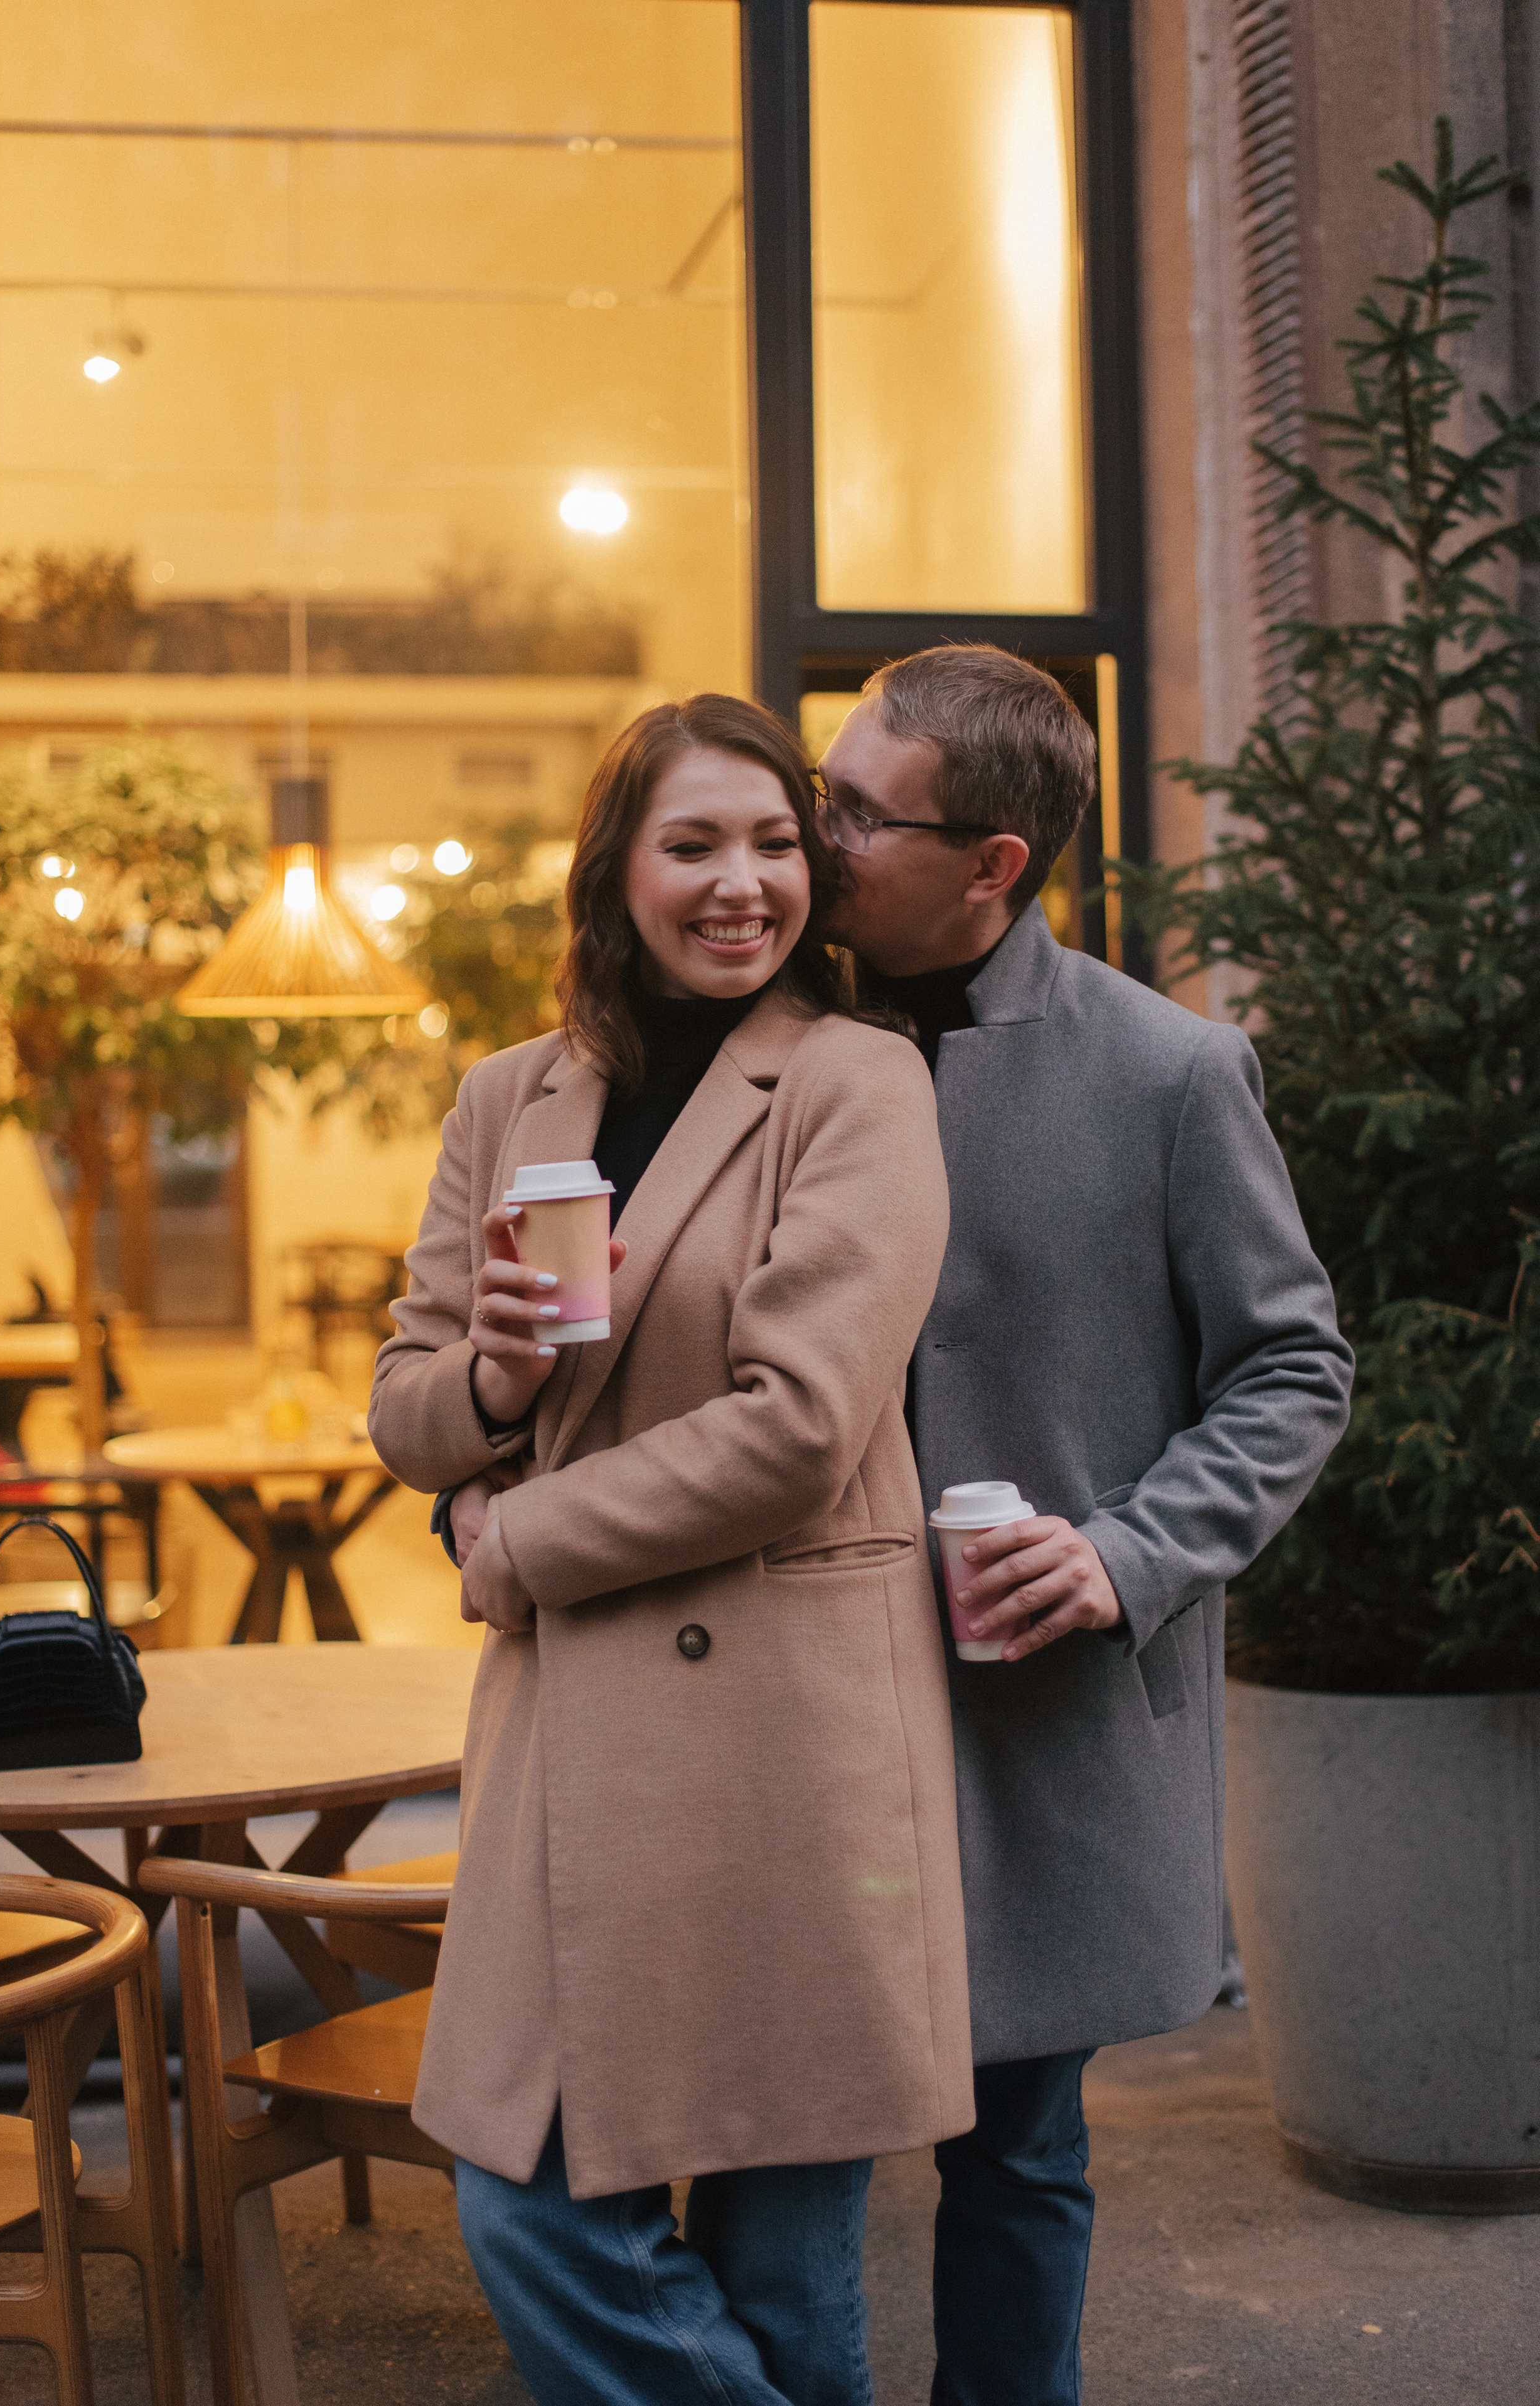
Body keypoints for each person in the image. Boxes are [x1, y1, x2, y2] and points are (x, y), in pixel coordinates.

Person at [368, 692, 975, 2406]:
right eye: (693, 842)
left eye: (776, 843)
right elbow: (404, 1403)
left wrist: (523, 1540)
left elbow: (800, 1424)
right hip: (576, 1750)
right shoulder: (511, 1097)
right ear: (617, 871)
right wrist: (489, 1378)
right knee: (529, 2203)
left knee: (787, 2261)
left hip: (787, 1735)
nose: (741, 883)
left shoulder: (860, 1082)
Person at [816, 645, 1354, 2406]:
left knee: (1020, 2148)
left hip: (1033, 1711)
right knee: (779, 2143)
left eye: (856, 814)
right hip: (796, 1695)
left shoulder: (1173, 1074)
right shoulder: (763, 1037)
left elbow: (1291, 1370)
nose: (811, 843)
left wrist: (1123, 1553)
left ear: (995, 863)